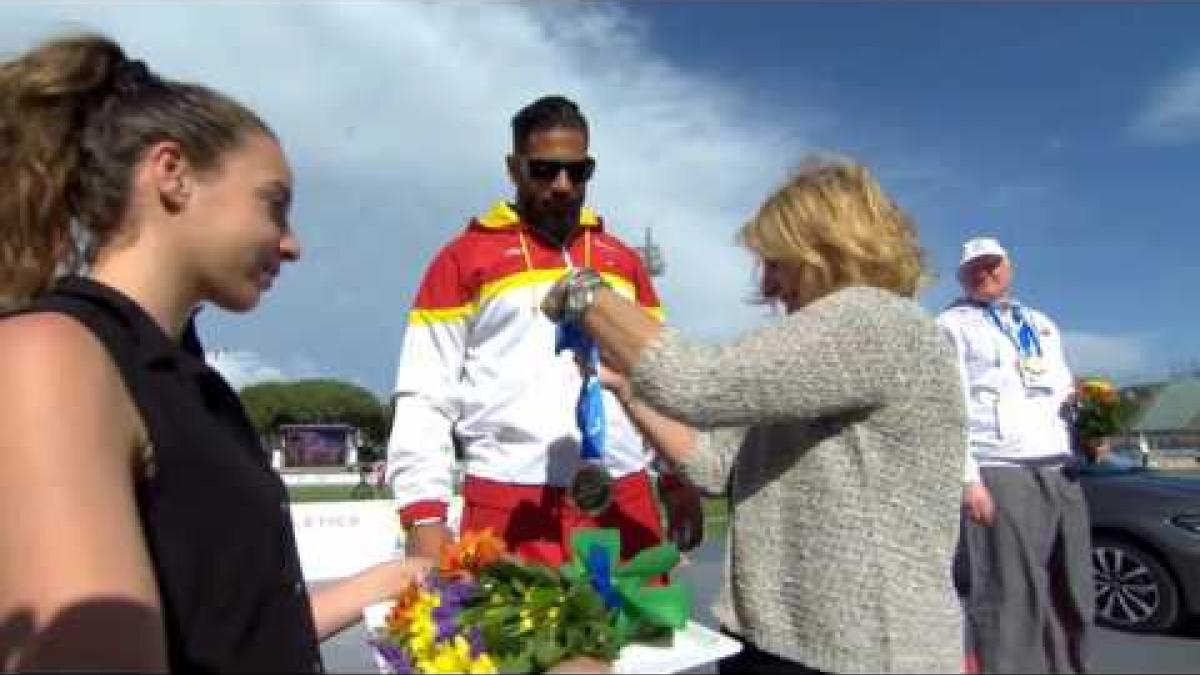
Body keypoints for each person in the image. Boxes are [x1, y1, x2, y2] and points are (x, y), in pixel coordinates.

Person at [0, 34, 428, 671]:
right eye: (273, 205)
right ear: (172, 174)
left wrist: (389, 581)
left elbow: (225, 636)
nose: (291, 245)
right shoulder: (53, 356)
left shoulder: (188, 382)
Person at [542, 157, 966, 673]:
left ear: (823, 247)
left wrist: (586, 293)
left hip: (865, 655)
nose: (766, 288)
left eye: (777, 262)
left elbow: (698, 381)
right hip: (773, 642)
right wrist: (630, 391)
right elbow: (716, 467)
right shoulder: (815, 364)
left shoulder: (876, 321)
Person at [385, 94, 703, 566]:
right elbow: (424, 395)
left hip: (625, 498)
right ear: (514, 168)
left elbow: (657, 378)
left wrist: (677, 476)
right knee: (515, 641)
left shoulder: (623, 261)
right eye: (544, 170)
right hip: (509, 506)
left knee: (644, 639)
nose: (562, 185)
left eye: (579, 171)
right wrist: (424, 517)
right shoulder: (462, 258)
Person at [937, 236, 1093, 673]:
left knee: (1074, 591)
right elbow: (948, 409)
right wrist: (969, 480)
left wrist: (1085, 433)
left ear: (1010, 267)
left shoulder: (1040, 322)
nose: (985, 273)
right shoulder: (952, 326)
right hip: (1001, 470)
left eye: (993, 265)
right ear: (962, 277)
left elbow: (1062, 391)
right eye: (975, 268)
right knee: (1009, 599)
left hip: (1059, 469)